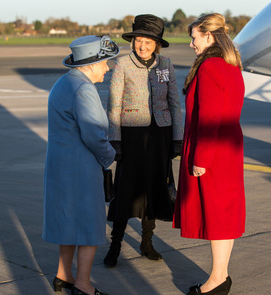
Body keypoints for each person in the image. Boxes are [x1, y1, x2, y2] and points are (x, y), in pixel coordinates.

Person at [172, 13, 246, 295]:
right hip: (227, 150)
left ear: (208, 36)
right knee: (224, 216)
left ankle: (216, 281)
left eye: (194, 37)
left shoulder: (209, 67)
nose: (191, 44)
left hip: (212, 153)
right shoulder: (231, 65)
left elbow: (210, 118)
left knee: (215, 217)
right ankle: (221, 276)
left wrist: (200, 159)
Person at [42, 35, 119, 295]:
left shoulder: (63, 83)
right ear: (90, 65)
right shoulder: (84, 88)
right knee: (89, 226)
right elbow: (95, 134)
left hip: (60, 166)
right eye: (104, 63)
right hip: (80, 169)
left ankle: (63, 275)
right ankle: (83, 284)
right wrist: (111, 156)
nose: (107, 69)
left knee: (68, 222)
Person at [105, 14, 184, 267]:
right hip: (131, 136)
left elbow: (174, 103)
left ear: (156, 44)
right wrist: (115, 140)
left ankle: (146, 242)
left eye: (148, 42)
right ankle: (115, 244)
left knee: (154, 188)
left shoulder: (166, 64)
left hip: (160, 135)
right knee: (126, 189)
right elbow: (114, 104)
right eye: (139, 40)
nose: (143, 46)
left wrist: (177, 138)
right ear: (133, 41)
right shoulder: (123, 65)